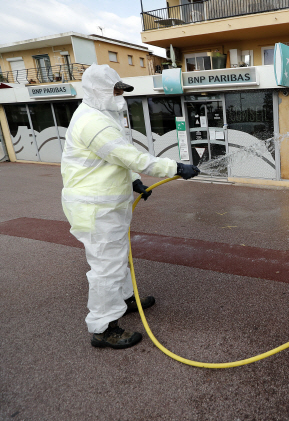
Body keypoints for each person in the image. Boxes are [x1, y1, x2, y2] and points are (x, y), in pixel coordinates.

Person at [61, 64, 200, 349]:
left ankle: (124, 299)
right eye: (115, 90)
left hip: (107, 204)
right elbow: (129, 155)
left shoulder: (103, 115)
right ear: (98, 91)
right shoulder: (92, 122)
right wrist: (174, 167)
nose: (120, 95)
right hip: (95, 207)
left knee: (116, 257)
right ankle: (103, 327)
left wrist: (135, 181)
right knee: (106, 267)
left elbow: (118, 158)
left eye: (121, 90)